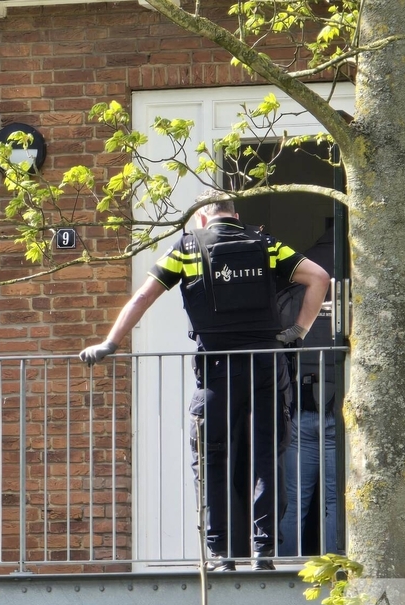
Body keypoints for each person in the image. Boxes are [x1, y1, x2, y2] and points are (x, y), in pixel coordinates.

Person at [79, 189, 329, 570]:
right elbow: (319, 277)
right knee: (267, 459)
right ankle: (264, 552)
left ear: (200, 219)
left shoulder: (187, 249)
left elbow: (142, 298)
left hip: (216, 372)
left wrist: (110, 343)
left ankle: (223, 553)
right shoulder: (264, 243)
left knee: (214, 459)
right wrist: (298, 329)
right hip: (266, 367)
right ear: (234, 214)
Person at [276, 227, 344, 557]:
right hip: (340, 410)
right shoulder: (355, 291)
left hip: (299, 409)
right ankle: (336, 570)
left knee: (293, 500)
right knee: (335, 501)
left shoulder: (293, 291)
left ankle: (287, 567)